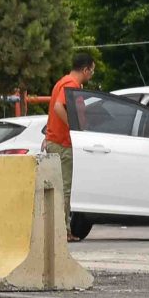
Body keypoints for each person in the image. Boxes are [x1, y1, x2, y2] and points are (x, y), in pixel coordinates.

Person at [46, 50, 97, 211]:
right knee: (64, 188)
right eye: (92, 70)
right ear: (85, 70)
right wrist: (73, 126)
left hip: (58, 142)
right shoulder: (70, 85)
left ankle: (61, 228)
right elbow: (58, 106)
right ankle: (64, 229)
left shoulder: (63, 82)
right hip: (63, 144)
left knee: (59, 187)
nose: (92, 75)